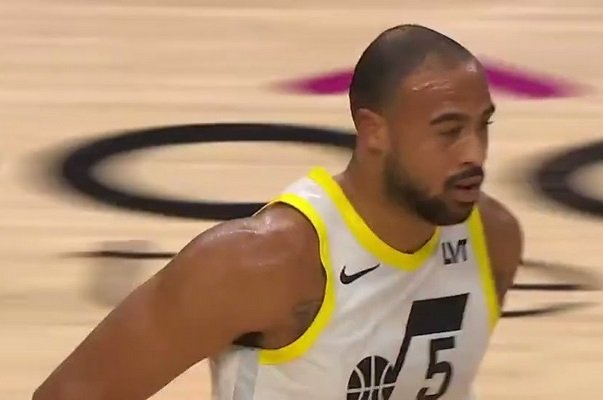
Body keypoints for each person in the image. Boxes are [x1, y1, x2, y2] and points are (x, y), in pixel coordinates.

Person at [33, 23, 523, 400]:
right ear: (375, 132)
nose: (474, 153)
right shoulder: (260, 262)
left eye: (483, 126)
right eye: (448, 131)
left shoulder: (493, 238)